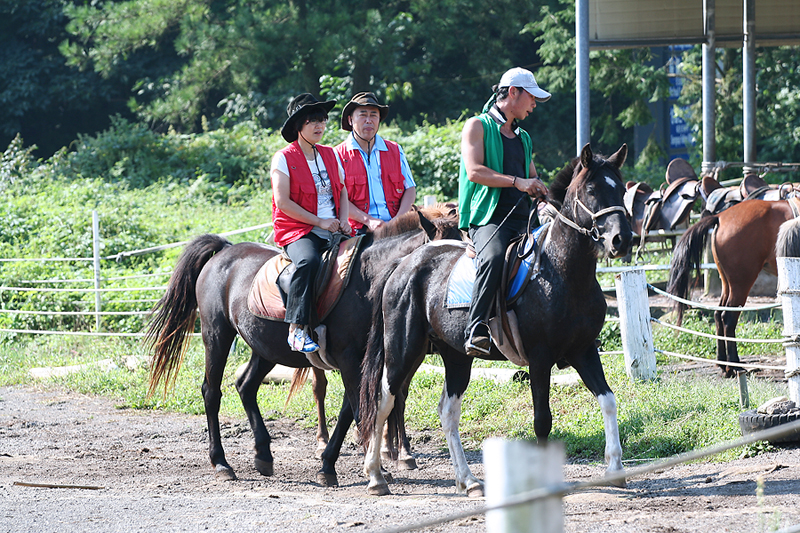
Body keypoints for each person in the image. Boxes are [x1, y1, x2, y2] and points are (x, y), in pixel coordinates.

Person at [458, 67, 550, 357]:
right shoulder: (476, 125)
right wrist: (518, 182)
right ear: (513, 93)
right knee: (495, 256)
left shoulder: (524, 137)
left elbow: (532, 177)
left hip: (524, 219)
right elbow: (474, 172)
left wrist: (544, 194)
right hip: (488, 218)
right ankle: (476, 328)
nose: (534, 104)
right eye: (531, 97)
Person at [271, 93, 351, 353]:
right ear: (298, 126)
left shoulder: (331, 154)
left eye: (323, 120)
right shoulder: (283, 158)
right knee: (308, 262)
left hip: (333, 227)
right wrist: (319, 221)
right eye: (312, 121)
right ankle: (296, 330)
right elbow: (283, 202)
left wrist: (343, 220)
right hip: (298, 230)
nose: (319, 126)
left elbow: (342, 191)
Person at [334, 92, 416, 234]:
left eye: (373, 115)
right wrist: (368, 220)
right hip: (357, 229)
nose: (368, 120)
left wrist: (398, 220)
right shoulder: (337, 155)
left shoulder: (395, 149)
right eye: (363, 114)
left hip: (396, 225)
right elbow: (337, 198)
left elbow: (410, 189)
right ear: (350, 120)